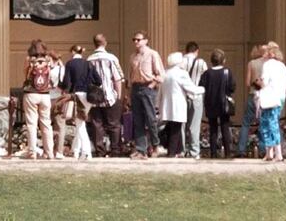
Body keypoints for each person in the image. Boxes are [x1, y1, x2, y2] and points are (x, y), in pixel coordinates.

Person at [128, 31, 166, 159]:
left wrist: (152, 84)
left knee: (151, 119)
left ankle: (155, 145)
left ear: (145, 41)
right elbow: (131, 75)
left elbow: (161, 74)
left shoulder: (152, 54)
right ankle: (141, 149)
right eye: (134, 40)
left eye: (138, 39)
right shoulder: (133, 56)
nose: (136, 42)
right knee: (138, 120)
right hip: (136, 88)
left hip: (148, 88)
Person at [158, 52, 205, 156]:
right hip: (177, 106)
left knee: (171, 128)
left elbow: (160, 92)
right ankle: (172, 152)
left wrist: (158, 105)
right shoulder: (181, 74)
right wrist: (202, 89)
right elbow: (190, 88)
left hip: (166, 106)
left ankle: (176, 151)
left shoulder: (165, 73)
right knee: (176, 129)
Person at [87, 33, 126, 157]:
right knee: (114, 124)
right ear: (105, 43)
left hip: (94, 98)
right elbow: (118, 78)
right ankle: (115, 150)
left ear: (94, 44)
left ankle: (100, 151)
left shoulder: (89, 59)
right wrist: (118, 95)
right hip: (110, 96)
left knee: (97, 125)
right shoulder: (111, 58)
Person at [60, 44, 102, 160]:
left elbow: (67, 83)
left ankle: (87, 152)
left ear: (73, 52)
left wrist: (63, 90)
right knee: (80, 122)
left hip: (77, 95)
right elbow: (98, 80)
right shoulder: (88, 63)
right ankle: (76, 152)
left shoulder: (70, 64)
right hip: (88, 96)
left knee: (80, 124)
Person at [199, 48, 236, 159]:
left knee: (213, 128)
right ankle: (228, 152)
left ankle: (213, 152)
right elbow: (232, 87)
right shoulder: (227, 72)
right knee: (225, 127)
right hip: (223, 103)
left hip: (210, 102)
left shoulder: (207, 73)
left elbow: (201, 86)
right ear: (223, 60)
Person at [21, 39, 54, 159]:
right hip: (45, 94)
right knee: (46, 124)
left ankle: (32, 152)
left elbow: (25, 73)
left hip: (31, 93)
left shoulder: (29, 60)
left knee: (31, 124)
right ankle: (49, 152)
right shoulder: (48, 60)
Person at [257, 43, 286, 162]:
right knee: (273, 123)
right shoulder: (282, 66)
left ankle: (275, 153)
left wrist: (258, 83)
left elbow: (264, 82)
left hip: (269, 98)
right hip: (280, 98)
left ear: (270, 53)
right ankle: (271, 153)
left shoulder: (267, 65)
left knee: (268, 124)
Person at [237, 43, 267, 157]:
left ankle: (241, 149)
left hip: (252, 94)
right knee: (263, 122)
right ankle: (263, 149)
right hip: (264, 96)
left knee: (246, 124)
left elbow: (247, 83)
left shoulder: (252, 63)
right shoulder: (269, 64)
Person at [182, 42, 208, 159]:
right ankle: (194, 151)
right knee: (194, 125)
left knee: (182, 125)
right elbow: (206, 77)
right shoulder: (201, 62)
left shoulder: (181, 62)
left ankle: (182, 149)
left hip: (182, 96)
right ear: (197, 51)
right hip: (196, 95)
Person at [48, 51, 67, 158]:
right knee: (60, 125)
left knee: (47, 125)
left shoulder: (47, 70)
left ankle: (49, 149)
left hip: (47, 98)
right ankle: (59, 151)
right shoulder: (62, 70)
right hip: (59, 98)